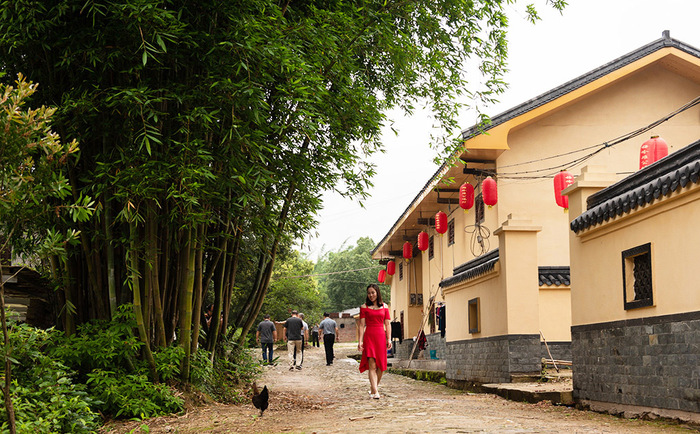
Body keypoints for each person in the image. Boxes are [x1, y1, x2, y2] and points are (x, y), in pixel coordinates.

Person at [358, 283, 391, 399]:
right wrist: (360, 341)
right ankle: (376, 392)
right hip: (369, 337)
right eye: (369, 293)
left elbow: (387, 323)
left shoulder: (385, 307)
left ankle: (373, 389)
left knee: (381, 366)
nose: (371, 295)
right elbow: (361, 325)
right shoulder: (364, 307)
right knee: (372, 365)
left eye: (373, 292)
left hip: (381, 337)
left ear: (377, 293)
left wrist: (389, 339)